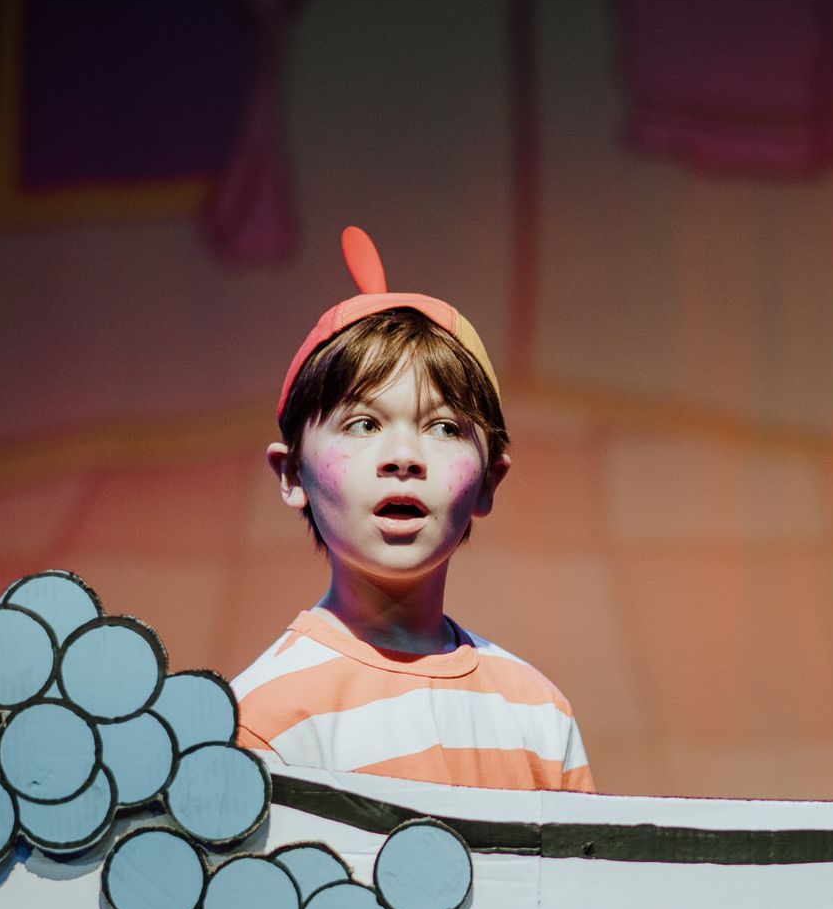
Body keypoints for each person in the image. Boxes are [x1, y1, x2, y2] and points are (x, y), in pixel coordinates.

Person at [232, 227, 594, 791]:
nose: (403, 457)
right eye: (363, 424)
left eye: (444, 428)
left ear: (488, 482)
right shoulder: (264, 718)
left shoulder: (539, 715)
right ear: (292, 472)